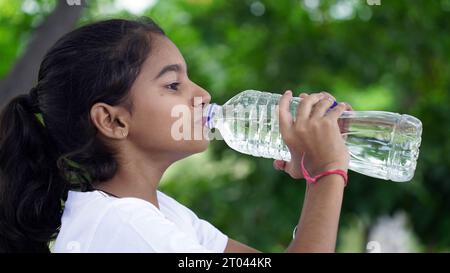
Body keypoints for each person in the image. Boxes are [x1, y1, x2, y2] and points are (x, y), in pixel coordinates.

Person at [0, 17, 351, 253]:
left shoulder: (161, 213)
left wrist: (313, 173)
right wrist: (326, 173)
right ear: (112, 121)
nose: (202, 95)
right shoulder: (125, 226)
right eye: (173, 84)